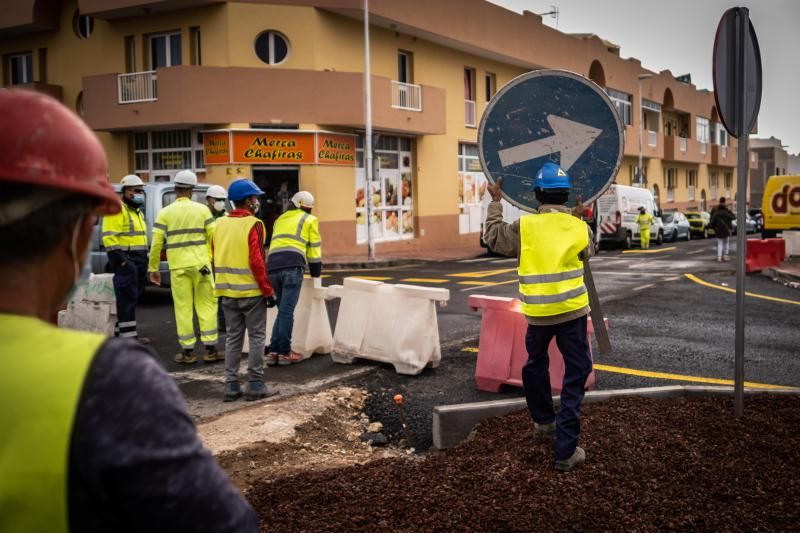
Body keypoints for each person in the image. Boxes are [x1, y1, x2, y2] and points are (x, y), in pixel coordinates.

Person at [0, 89, 258, 532]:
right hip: (199, 271)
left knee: (184, 313)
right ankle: (206, 347)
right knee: (198, 310)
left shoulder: (162, 216)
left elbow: (158, 242)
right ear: (79, 234)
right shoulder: (107, 381)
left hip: (174, 268)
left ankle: (196, 346)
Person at [483, 162, 593, 473]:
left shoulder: (525, 227)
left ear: (537, 196)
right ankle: (566, 449)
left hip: (537, 315)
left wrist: (495, 201)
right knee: (576, 373)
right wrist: (579, 217)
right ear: (567, 196)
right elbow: (589, 252)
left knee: (535, 365)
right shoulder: (579, 227)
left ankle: (544, 422)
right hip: (571, 314)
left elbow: (493, 237)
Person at [213, 179, 278, 402]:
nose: (257, 201)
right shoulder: (254, 224)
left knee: (232, 338)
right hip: (251, 293)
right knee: (257, 337)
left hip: (226, 292)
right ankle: (256, 384)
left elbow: (214, 255)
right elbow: (257, 262)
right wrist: (268, 292)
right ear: (249, 201)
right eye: (255, 197)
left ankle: (231, 386)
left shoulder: (218, 224)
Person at [148, 170, 221, 364]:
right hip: (201, 266)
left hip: (178, 268)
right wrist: (211, 260)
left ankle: (188, 352)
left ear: (175, 189)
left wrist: (153, 268)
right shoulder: (203, 210)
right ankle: (210, 349)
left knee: (183, 308)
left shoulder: (165, 213)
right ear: (191, 190)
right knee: (207, 306)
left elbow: (156, 243)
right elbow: (213, 238)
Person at [266, 190, 322, 366]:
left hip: (273, 266)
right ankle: (284, 352)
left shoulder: (280, 219)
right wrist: (315, 272)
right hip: (292, 265)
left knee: (282, 309)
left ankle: (274, 351)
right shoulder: (310, 220)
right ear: (305, 207)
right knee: (287, 310)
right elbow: (314, 248)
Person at [102, 174, 148, 341]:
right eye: (136, 191)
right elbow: (109, 238)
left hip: (139, 260)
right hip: (126, 261)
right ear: (126, 191)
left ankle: (126, 335)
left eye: (142, 191)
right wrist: (123, 262)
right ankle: (129, 341)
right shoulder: (117, 209)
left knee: (132, 299)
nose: (139, 194)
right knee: (126, 300)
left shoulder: (137, 212)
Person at [206, 184, 228, 332]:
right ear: (208, 200)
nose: (221, 202)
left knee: (223, 294)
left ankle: (223, 323)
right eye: (217, 199)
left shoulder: (227, 217)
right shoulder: (203, 216)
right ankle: (209, 324)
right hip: (207, 260)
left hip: (224, 260)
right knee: (208, 296)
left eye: (223, 199)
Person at [710, 197, 735, 262]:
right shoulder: (727, 211)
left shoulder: (716, 212)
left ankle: (719, 257)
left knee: (720, 243)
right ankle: (725, 256)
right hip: (726, 229)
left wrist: (713, 227)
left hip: (718, 229)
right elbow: (733, 217)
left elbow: (712, 221)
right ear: (724, 202)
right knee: (726, 243)